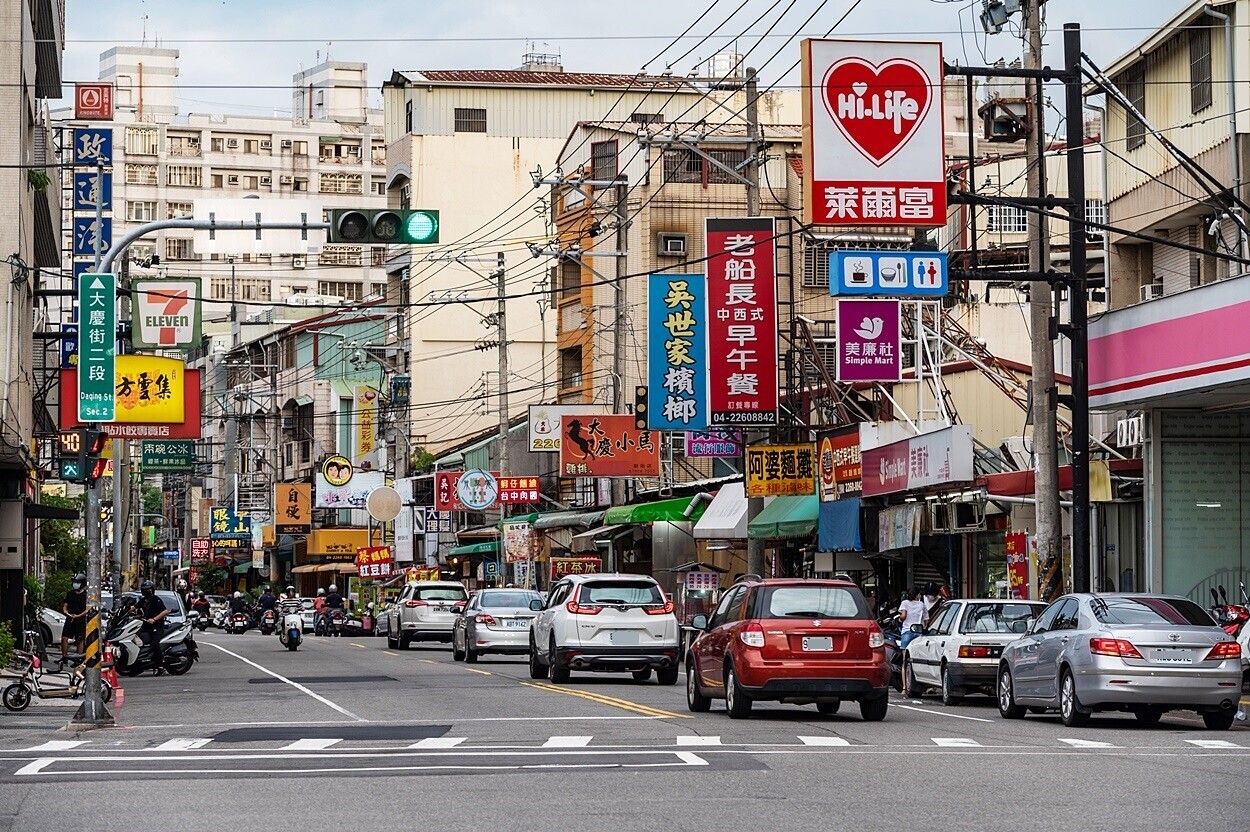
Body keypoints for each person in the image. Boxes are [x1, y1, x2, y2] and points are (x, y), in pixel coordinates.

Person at [137, 580, 169, 673]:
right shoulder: (143, 601)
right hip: (146, 626)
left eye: (149, 590)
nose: (147, 591)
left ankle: (160, 665)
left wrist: (154, 619)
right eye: (145, 590)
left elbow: (165, 611)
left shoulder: (156, 600)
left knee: (155, 643)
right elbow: (134, 607)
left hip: (156, 626)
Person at [61, 573, 89, 657]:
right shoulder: (70, 594)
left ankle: (78, 658)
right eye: (74, 582)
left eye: (78, 582)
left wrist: (79, 615)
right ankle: (64, 657)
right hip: (70, 618)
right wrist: (66, 612)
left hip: (80, 620)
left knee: (80, 640)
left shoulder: (86, 595)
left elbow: (87, 609)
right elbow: (65, 606)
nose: (75, 584)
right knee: (64, 638)